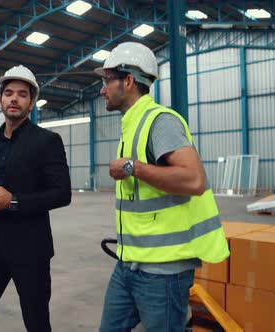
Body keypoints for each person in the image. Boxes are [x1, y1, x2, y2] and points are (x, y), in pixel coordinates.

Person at [96, 42, 230, 332]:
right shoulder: (131, 125)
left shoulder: (160, 122)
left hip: (163, 272)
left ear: (128, 81)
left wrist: (133, 167)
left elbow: (194, 180)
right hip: (130, 263)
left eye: (107, 81)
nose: (103, 89)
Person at [0, 64, 72, 332]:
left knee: (36, 322)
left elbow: (62, 193)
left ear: (32, 102)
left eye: (22, 94)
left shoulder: (47, 141)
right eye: (9, 93)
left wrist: (13, 201)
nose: (14, 99)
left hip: (30, 250)